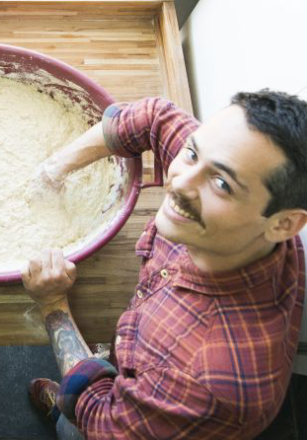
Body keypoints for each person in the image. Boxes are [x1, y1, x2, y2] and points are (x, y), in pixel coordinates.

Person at [23, 91, 307, 439]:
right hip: (150, 384)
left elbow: (102, 422)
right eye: (192, 153)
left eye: (221, 184)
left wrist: (53, 304)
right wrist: (54, 169)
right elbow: (154, 116)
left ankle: (62, 412)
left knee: (73, 425)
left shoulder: (210, 381)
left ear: (284, 224)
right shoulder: (247, 218)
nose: (180, 182)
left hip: (127, 424)